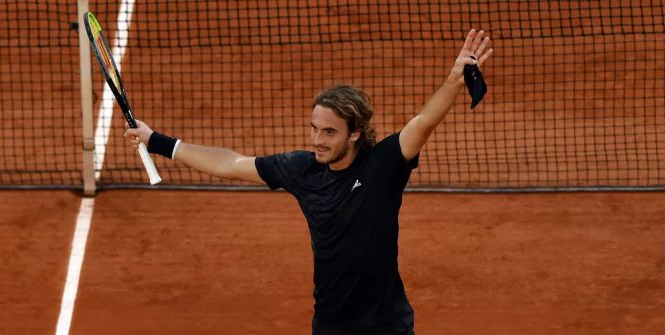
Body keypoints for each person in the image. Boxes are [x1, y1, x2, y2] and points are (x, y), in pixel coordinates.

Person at [125, 29, 492, 335]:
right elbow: (232, 163)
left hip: (386, 324)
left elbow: (425, 121)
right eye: (315, 128)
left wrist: (452, 80)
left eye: (330, 132)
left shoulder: (383, 165)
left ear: (354, 134)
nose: (318, 139)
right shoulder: (303, 170)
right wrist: (157, 141)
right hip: (330, 324)